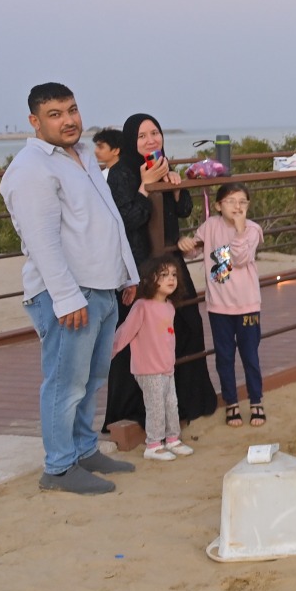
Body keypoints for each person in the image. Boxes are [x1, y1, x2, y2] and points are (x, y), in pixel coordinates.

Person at [0, 83, 139, 495]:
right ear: (35, 121)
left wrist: (127, 273)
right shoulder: (31, 169)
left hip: (101, 285)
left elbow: (109, 216)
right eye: (55, 113)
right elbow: (42, 241)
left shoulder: (83, 156)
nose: (68, 119)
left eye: (72, 110)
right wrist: (65, 298)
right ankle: (58, 468)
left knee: (92, 378)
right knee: (65, 383)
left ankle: (83, 449)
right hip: (68, 294)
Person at [103, 113, 218, 429]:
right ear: (130, 141)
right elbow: (129, 220)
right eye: (142, 136)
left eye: (155, 133)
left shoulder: (163, 164)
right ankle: (133, 412)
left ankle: (187, 402)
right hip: (139, 267)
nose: (151, 140)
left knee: (188, 325)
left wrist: (176, 188)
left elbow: (182, 211)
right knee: (139, 338)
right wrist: (146, 186)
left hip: (170, 261)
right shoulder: (121, 174)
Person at [180, 182, 266, 428]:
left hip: (247, 305)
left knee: (250, 355)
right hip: (219, 307)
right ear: (218, 205)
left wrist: (239, 231)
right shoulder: (210, 227)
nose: (237, 206)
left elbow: (239, 259)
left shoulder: (252, 230)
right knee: (224, 357)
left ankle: (256, 400)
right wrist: (184, 243)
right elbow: (193, 252)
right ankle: (231, 402)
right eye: (230, 201)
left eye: (242, 201)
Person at [111, 257, 196, 461]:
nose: (171, 279)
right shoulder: (141, 306)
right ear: (150, 279)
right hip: (148, 369)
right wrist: (108, 353)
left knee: (170, 403)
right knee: (156, 406)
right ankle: (154, 444)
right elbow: (126, 332)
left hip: (166, 368)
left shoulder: (169, 307)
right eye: (164, 275)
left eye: (174, 275)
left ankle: (173, 438)